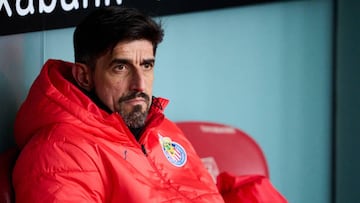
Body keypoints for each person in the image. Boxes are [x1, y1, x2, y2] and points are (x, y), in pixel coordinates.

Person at [12, 6, 287, 203]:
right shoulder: (60, 152)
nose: (140, 85)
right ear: (84, 76)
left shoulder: (159, 126)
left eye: (147, 65)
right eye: (121, 68)